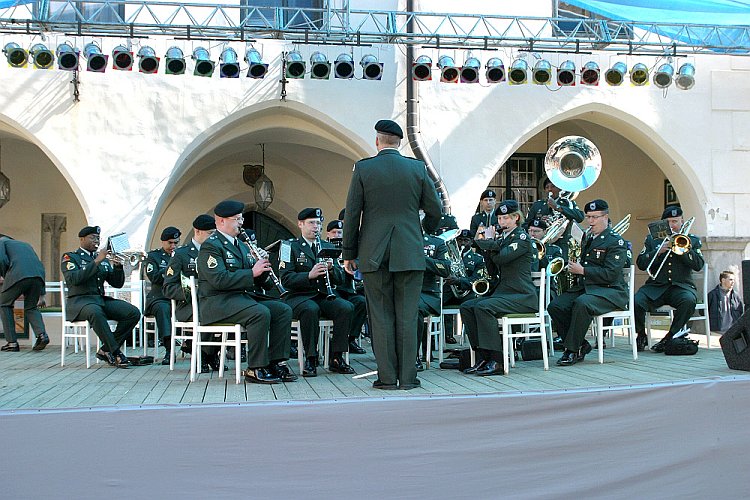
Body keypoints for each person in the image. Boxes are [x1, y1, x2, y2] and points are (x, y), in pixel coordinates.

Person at [342, 118, 442, 390]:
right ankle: (408, 378)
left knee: (381, 316)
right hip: (409, 251)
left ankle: (386, 378)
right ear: (400, 142)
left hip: (374, 253)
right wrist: (422, 230)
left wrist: (349, 252)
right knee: (408, 316)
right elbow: (436, 211)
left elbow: (352, 214)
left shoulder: (364, 169)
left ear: (378, 141)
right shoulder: (417, 168)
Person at [197, 200, 295, 384]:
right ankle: (256, 367)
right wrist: (252, 272)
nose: (241, 222)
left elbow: (254, 281)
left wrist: (262, 271)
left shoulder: (241, 245)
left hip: (240, 299)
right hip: (217, 302)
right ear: (221, 221)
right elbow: (219, 279)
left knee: (282, 310)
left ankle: (275, 362)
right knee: (260, 313)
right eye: (236, 219)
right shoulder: (211, 246)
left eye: (241, 218)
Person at [460, 200, 538, 376]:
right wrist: (487, 248)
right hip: (505, 293)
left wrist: (487, 243)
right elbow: (493, 269)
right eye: (500, 218)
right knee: (467, 306)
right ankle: (482, 355)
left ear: (516, 218)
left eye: (505, 218)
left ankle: (497, 360)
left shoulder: (522, 238)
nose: (501, 222)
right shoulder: (503, 239)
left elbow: (503, 257)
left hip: (522, 295)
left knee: (483, 307)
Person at [547, 199, 628, 366]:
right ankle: (582, 344)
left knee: (582, 303)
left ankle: (572, 350)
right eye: (588, 217)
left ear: (605, 217)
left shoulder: (615, 241)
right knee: (556, 306)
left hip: (610, 290)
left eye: (595, 217)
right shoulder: (589, 237)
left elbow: (611, 274)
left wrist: (582, 270)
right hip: (589, 287)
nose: (590, 221)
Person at [279, 208, 356, 377]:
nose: (316, 227)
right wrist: (309, 275)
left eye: (319, 223)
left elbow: (340, 278)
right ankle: (311, 358)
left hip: (322, 294)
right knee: (310, 309)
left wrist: (332, 269)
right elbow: (285, 279)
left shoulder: (327, 246)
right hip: (298, 296)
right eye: (312, 223)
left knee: (346, 307)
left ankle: (336, 357)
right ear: (300, 224)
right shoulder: (289, 246)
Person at [61, 226, 141, 368]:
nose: (96, 241)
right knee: (95, 312)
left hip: (99, 300)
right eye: (92, 237)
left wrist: (117, 266)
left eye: (98, 238)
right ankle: (116, 353)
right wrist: (97, 261)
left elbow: (117, 284)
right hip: (80, 302)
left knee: (133, 312)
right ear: (82, 239)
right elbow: (74, 279)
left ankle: (105, 350)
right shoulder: (71, 257)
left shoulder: (103, 260)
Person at [635, 205, 705, 352]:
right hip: (656, 286)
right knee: (636, 301)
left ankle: (669, 337)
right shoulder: (652, 240)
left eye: (675, 221)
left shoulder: (691, 240)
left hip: (681, 286)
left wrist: (683, 250)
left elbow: (698, 264)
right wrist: (657, 251)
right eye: (669, 222)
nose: (672, 225)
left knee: (689, 301)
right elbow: (641, 263)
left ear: (682, 221)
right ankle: (641, 334)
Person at [162, 214, 219, 372]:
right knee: (206, 312)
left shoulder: (216, 251)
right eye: (210, 234)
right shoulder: (182, 254)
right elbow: (169, 287)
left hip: (213, 302)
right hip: (188, 306)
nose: (213, 237)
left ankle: (211, 353)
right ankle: (202, 354)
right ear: (198, 231)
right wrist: (192, 291)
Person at [326, 219, 367, 355]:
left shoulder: (349, 249)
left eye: (340, 232)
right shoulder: (324, 246)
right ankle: (336, 344)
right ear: (328, 234)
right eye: (334, 232)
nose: (337, 235)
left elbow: (358, 266)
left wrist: (352, 265)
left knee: (362, 302)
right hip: (332, 290)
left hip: (348, 289)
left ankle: (351, 338)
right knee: (343, 306)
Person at [0, 236, 48, 352]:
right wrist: (42, 294)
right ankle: (42, 335)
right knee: (31, 306)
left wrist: (6, 276)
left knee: (4, 304)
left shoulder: (1, 242)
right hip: (38, 276)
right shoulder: (25, 244)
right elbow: (39, 264)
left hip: (18, 274)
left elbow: (1, 259)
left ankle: (12, 343)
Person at [416, 220, 451, 371]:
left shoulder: (436, 243)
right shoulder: (397, 242)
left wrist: (422, 259)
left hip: (427, 294)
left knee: (412, 309)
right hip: (402, 291)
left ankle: (412, 357)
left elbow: (445, 268)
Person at [144, 226, 181, 364]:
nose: (173, 246)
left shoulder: (181, 255)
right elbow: (154, 277)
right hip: (159, 297)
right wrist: (171, 267)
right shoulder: (153, 256)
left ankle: (191, 345)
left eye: (176, 243)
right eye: (170, 243)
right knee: (163, 309)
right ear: (163, 242)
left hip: (177, 297)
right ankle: (169, 349)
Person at [442, 229, 487, 343]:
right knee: (435, 303)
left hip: (467, 293)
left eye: (466, 240)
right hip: (450, 291)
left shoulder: (477, 259)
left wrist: (459, 281)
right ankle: (442, 337)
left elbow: (476, 280)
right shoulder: (447, 257)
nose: (462, 243)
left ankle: (472, 339)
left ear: (471, 242)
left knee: (472, 305)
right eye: (459, 240)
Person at [524, 177, 585, 261]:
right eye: (547, 187)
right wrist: (539, 222)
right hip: (540, 246)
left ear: (560, 188)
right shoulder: (538, 205)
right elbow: (526, 225)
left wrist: (557, 207)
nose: (550, 189)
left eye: (553, 186)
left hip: (561, 245)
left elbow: (580, 217)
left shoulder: (567, 203)